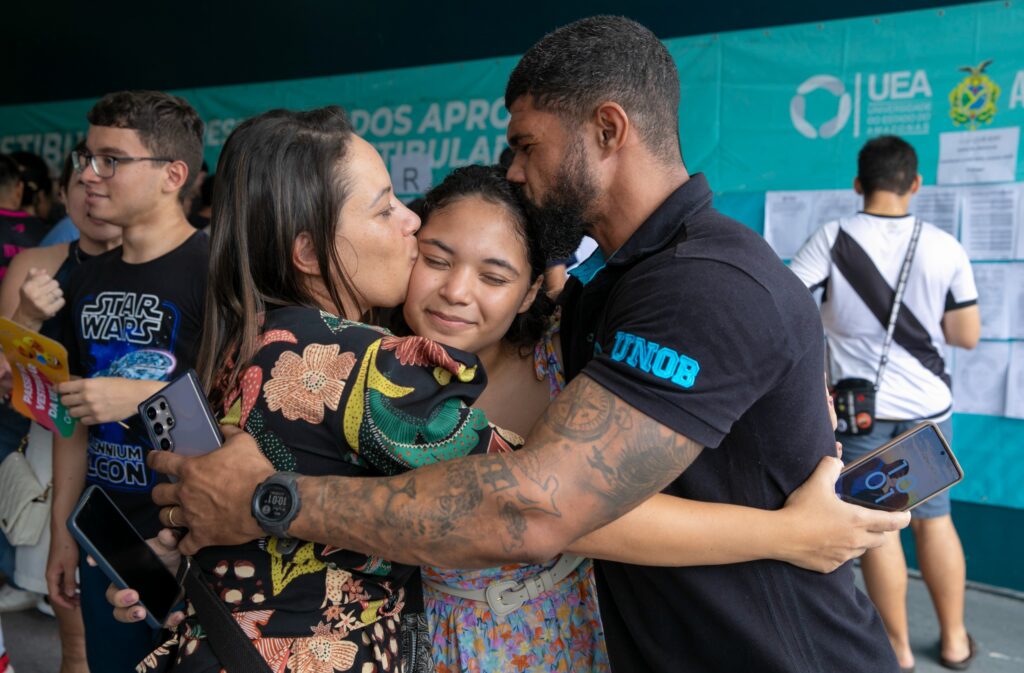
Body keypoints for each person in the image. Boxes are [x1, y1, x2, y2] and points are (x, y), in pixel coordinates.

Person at [789, 135, 980, 672]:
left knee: (880, 525)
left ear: (858, 185)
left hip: (857, 411)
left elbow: (789, 308)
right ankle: (956, 643)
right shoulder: (946, 246)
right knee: (936, 521)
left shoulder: (830, 237)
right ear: (915, 184)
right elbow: (966, 334)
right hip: (929, 411)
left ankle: (896, 650)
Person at [49, 90, 207, 672]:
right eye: (85, 158)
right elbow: (70, 418)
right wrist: (63, 532)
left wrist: (142, 396)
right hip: (102, 533)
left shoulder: (216, 273)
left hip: (190, 542)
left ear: (172, 174)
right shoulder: (86, 281)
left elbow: (249, 412)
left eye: (110, 159)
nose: (89, 175)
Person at [0, 143, 123, 673]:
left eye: (103, 184)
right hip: (57, 451)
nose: (92, 196)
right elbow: (4, 371)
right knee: (76, 641)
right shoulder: (34, 264)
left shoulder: (156, 269)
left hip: (135, 459)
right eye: (79, 185)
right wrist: (27, 315)